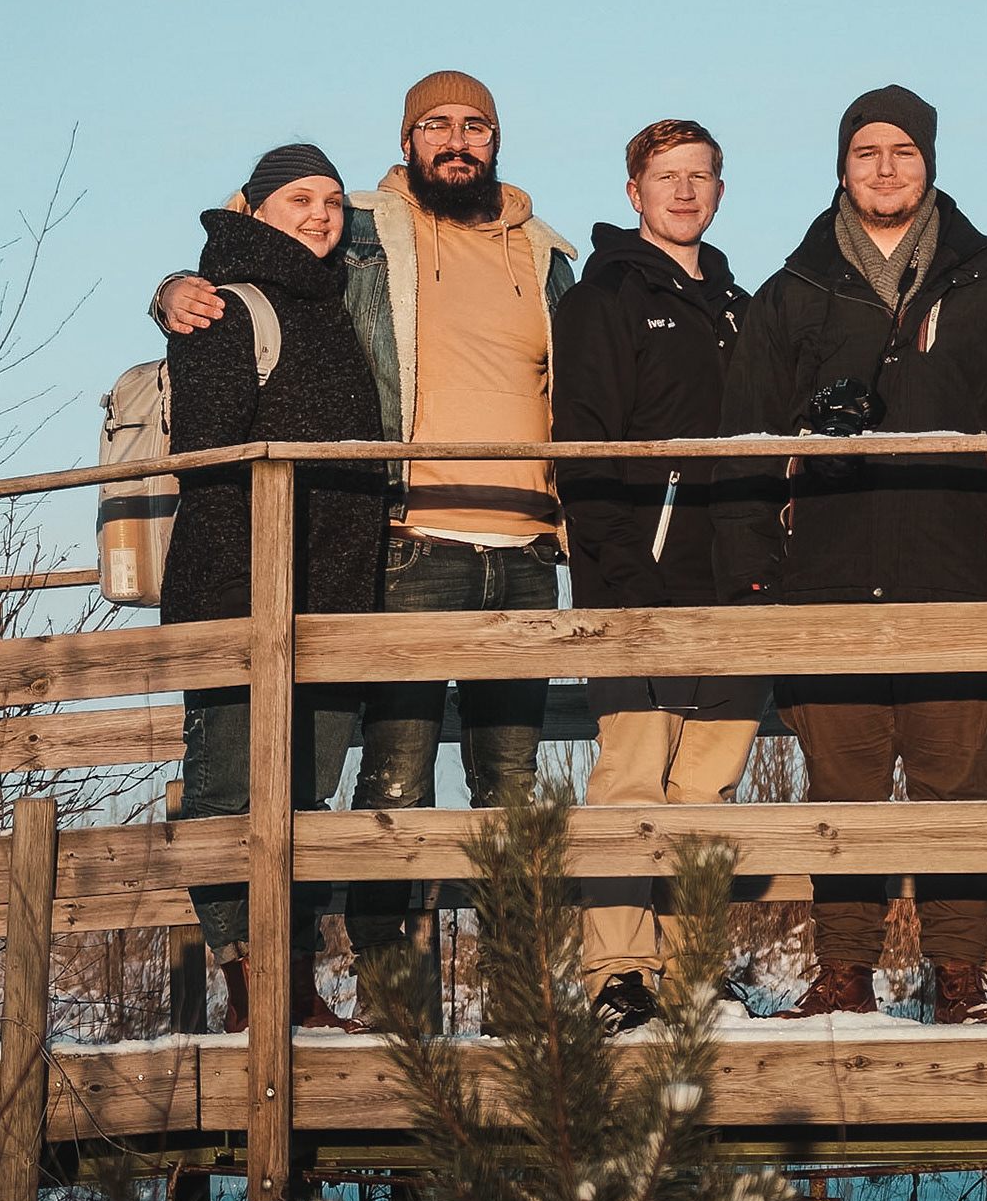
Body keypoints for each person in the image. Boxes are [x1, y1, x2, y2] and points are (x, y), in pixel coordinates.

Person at [153, 72, 577, 1015]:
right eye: (436, 124)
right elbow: (249, 255)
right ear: (407, 139)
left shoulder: (550, 256)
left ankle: (521, 1002)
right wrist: (173, 290)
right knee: (392, 781)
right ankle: (390, 999)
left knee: (510, 781)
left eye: (476, 124)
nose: (457, 140)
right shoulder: (364, 237)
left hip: (523, 548)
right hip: (407, 542)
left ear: (497, 138)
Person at [713, 85, 987, 1026]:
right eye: (867, 152)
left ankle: (962, 976)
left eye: (903, 151)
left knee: (956, 792)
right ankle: (844, 973)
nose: (885, 168)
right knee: (841, 795)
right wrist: (756, 574)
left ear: (930, 163)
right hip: (827, 583)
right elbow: (743, 444)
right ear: (842, 166)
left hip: (958, 581)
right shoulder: (793, 293)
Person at [160, 144, 384, 1033]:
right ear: (253, 209)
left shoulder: (333, 304)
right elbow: (206, 454)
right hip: (239, 590)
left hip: (330, 595)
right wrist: (173, 295)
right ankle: (251, 980)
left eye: (332, 199)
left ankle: (294, 978)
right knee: (228, 793)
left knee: (304, 796)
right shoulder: (224, 305)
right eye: (299, 199)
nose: (321, 214)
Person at [552, 119, 767, 1034]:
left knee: (708, 787)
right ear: (633, 191)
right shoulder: (603, 298)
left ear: (720, 190)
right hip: (636, 578)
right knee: (632, 779)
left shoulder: (743, 307)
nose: (684, 191)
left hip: (733, 579)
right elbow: (583, 442)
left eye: (700, 176)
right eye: (666, 176)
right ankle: (618, 973)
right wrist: (616, 569)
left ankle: (693, 969)